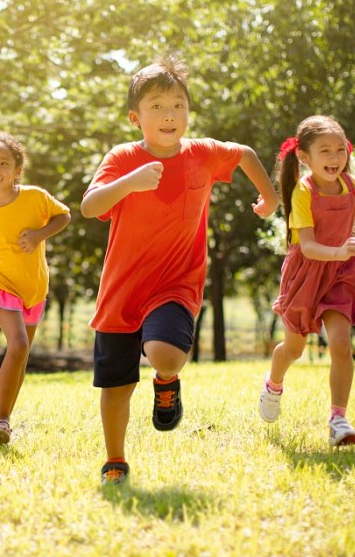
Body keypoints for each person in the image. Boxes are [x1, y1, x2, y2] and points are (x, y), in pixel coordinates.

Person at [80, 56, 279, 484]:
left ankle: (166, 380)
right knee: (115, 385)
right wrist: (127, 183)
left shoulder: (202, 154)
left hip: (175, 284)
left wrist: (271, 199)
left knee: (166, 353)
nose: (170, 115)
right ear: (136, 117)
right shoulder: (122, 158)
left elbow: (243, 154)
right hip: (120, 290)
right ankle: (115, 460)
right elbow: (89, 206)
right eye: (157, 106)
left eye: (178, 105)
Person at [259, 115, 355, 446]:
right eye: (325, 151)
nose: (335, 159)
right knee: (294, 348)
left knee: (341, 345)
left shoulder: (353, 185)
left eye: (339, 151)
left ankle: (338, 419)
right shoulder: (304, 192)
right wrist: (341, 249)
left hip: (341, 274)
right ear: (304, 157)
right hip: (307, 274)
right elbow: (310, 246)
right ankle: (273, 385)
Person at [0, 131, 71, 445]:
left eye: (4, 163)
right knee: (18, 346)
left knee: (21, 353)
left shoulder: (35, 197)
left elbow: (64, 215)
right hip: (0, 283)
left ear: (17, 170)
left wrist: (40, 234)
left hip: (34, 286)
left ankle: (5, 423)